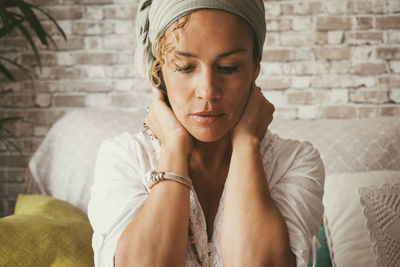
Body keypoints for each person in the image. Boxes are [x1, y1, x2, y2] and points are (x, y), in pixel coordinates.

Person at [88, 0, 325, 266]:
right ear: (158, 71)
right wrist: (175, 148)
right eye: (185, 67)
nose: (208, 90)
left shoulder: (295, 161)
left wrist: (247, 143)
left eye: (228, 67)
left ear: (254, 68)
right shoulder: (125, 158)